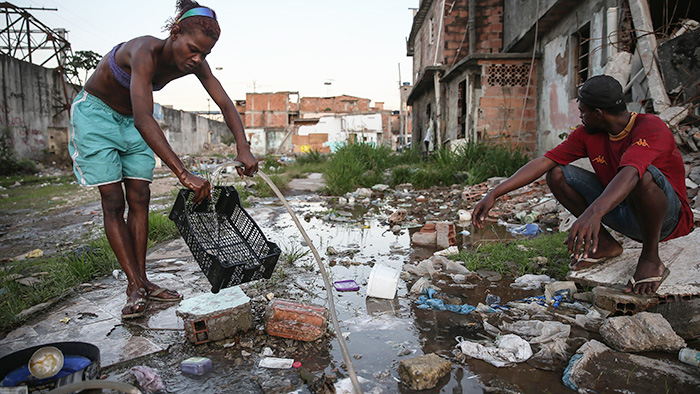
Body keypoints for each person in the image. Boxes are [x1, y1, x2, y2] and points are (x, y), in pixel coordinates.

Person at [69, 0, 258, 319]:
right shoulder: (143, 51)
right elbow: (146, 118)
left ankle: (143, 281)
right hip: (97, 116)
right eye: (194, 49)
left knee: (140, 197)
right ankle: (134, 286)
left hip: (133, 120)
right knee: (113, 201)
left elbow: (225, 103)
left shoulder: (196, 63)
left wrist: (243, 146)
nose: (197, 59)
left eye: (205, 54)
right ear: (174, 33)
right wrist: (184, 174)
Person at [472, 75, 693, 295]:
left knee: (642, 175)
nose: (579, 116)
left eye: (582, 110)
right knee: (557, 174)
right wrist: (495, 193)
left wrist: (593, 213)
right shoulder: (588, 135)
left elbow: (631, 173)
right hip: (626, 212)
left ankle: (651, 258)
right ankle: (606, 246)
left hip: (667, 221)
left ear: (598, 113)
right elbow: (544, 162)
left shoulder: (650, 127)